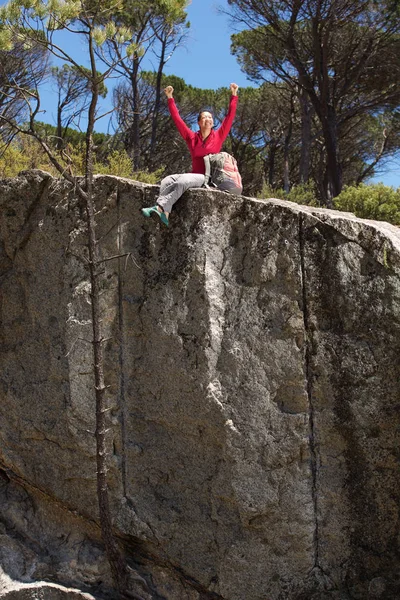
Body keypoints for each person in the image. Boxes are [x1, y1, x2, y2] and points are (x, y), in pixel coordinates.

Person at [141, 82, 239, 227]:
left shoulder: (218, 136)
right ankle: (166, 214)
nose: (209, 119)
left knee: (182, 182)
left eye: (211, 118)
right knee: (167, 180)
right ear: (199, 122)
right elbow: (177, 119)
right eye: (205, 117)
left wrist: (234, 95)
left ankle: (160, 208)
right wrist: (170, 98)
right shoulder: (192, 138)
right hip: (195, 175)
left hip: (208, 178)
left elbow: (230, 116)